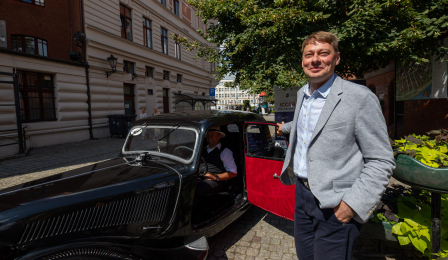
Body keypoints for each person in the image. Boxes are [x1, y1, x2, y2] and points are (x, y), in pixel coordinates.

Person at [277, 31, 395, 260]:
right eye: (309, 54)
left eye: (323, 53)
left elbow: (381, 160)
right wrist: (285, 128)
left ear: (337, 58)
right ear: (302, 60)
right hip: (302, 195)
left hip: (336, 203)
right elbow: (308, 127)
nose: (315, 60)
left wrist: (352, 204)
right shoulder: (303, 93)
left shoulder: (359, 98)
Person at [196, 126, 237, 198]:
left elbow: (233, 173)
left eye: (212, 135)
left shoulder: (225, 152)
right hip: (199, 177)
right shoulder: (202, 149)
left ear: (219, 136)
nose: (209, 138)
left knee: (197, 189)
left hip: (215, 182)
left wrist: (215, 177)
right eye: (208, 136)